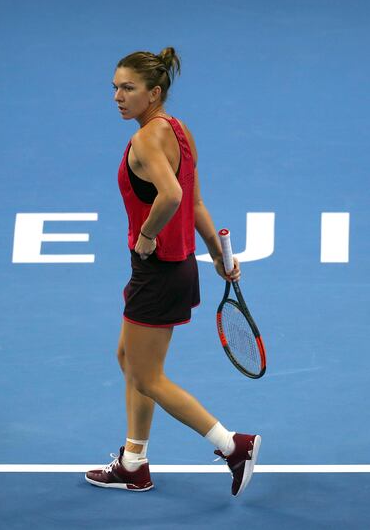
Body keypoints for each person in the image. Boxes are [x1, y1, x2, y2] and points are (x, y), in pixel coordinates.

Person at [85, 47, 261, 497]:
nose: (118, 97)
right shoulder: (178, 131)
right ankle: (133, 462)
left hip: (157, 271)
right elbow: (197, 202)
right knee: (129, 360)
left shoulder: (145, 141)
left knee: (148, 376)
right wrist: (220, 256)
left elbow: (172, 196)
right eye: (115, 88)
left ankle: (232, 445)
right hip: (178, 268)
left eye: (128, 88)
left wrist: (146, 235)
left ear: (154, 92)